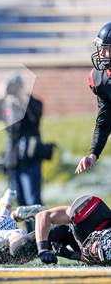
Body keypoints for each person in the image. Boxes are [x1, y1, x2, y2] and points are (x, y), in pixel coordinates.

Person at [0, 72, 51, 231]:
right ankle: (31, 235)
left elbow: (36, 114)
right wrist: (0, 96)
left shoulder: (31, 102)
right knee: (20, 201)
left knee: (33, 199)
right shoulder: (7, 104)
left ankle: (40, 235)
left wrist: (24, 97)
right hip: (13, 159)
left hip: (30, 157)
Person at [75, 22, 111, 175]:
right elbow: (104, 123)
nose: (101, 54)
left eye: (106, 50)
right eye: (101, 49)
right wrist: (92, 154)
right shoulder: (101, 79)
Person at [35, 195, 111, 265]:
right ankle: (31, 212)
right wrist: (42, 250)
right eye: (95, 252)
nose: (92, 254)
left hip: (81, 241)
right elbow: (43, 215)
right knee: (26, 248)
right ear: (98, 236)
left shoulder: (104, 253)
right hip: (68, 230)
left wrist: (72, 255)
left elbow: (96, 257)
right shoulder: (89, 213)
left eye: (96, 257)